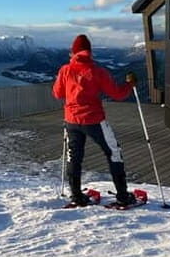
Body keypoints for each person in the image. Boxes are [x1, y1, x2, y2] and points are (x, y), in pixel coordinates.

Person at [52, 34, 137, 207]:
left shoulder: (65, 70)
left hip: (71, 120)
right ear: (90, 52)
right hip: (94, 120)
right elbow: (117, 94)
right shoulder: (97, 71)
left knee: (74, 157)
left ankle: (76, 196)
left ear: (73, 52)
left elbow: (58, 93)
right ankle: (122, 195)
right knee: (113, 152)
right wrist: (129, 84)